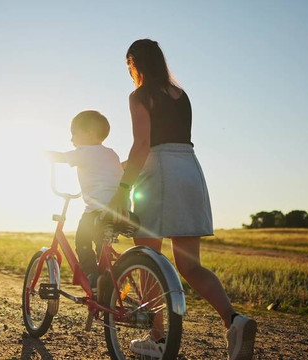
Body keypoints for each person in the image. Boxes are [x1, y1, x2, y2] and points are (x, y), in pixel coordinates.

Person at [105, 39, 257, 360]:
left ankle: (158, 338)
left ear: (134, 63)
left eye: (128, 66)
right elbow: (171, 140)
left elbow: (143, 145)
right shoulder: (180, 95)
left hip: (160, 173)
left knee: (147, 256)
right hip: (189, 169)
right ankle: (234, 320)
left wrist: (122, 188)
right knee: (190, 265)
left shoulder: (140, 95)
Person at [45, 110, 123, 293]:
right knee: (101, 243)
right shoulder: (111, 153)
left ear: (90, 133)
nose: (71, 139)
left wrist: (43, 153)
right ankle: (106, 281)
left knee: (82, 240)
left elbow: (62, 157)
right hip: (119, 209)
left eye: (74, 133)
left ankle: (92, 278)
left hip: (96, 210)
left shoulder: (84, 152)